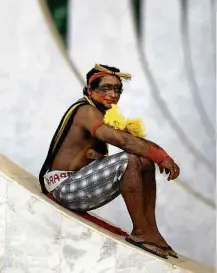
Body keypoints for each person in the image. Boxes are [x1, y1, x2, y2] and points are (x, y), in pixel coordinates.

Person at [39, 64, 180, 260]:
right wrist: (160, 157)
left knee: (144, 160)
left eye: (117, 89)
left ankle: (151, 232)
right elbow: (122, 141)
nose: (113, 94)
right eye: (106, 88)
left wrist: (161, 155)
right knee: (129, 158)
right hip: (64, 189)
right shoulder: (86, 110)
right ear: (90, 89)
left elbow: (135, 141)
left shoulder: (105, 115)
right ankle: (140, 233)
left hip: (79, 185)